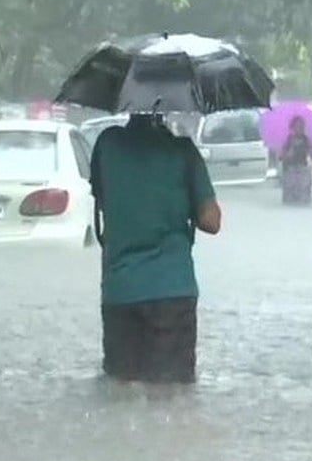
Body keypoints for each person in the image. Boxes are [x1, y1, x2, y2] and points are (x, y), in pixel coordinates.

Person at [89, 112, 221, 384]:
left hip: (120, 290)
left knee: (120, 393)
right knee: (172, 395)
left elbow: (103, 200)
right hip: (173, 290)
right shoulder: (182, 152)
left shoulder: (107, 145)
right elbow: (211, 222)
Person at [279, 116, 312, 205]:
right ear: (292, 128)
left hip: (303, 171)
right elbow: (280, 157)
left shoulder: (306, 140)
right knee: (290, 199)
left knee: (304, 199)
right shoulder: (288, 140)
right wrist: (287, 154)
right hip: (290, 171)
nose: (301, 128)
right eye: (298, 126)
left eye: (302, 126)